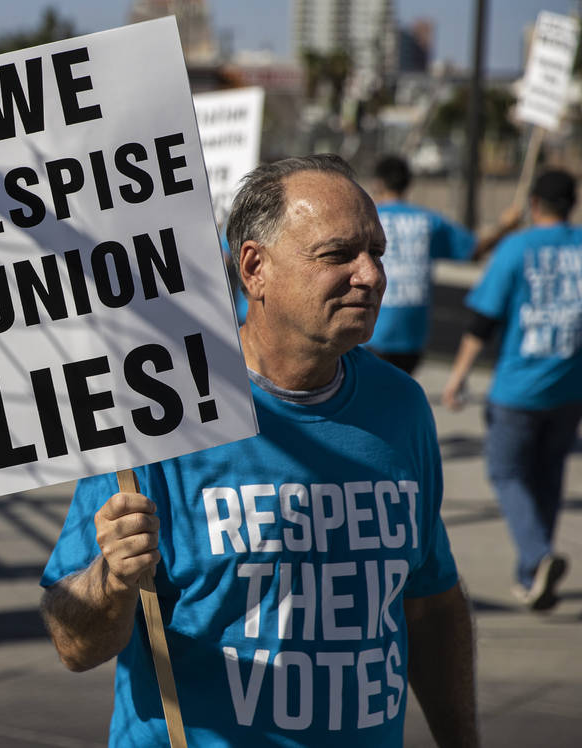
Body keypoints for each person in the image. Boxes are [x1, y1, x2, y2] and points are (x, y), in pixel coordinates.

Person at [41, 155, 477, 747]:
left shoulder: (401, 407)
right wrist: (111, 581)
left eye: (376, 251)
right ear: (255, 268)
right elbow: (73, 645)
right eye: (338, 254)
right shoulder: (161, 411)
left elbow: (429, 603)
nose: (371, 275)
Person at [441, 168, 581, 612]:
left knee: (506, 472)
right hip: (569, 388)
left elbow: (483, 321)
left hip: (518, 388)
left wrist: (458, 375)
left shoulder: (517, 248)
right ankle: (531, 572)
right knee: (548, 476)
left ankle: (537, 557)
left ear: (534, 204)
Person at [366, 154, 519, 373]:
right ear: (408, 183)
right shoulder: (428, 220)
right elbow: (473, 249)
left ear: (377, 183)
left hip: (371, 331)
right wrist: (505, 226)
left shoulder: (368, 218)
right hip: (412, 335)